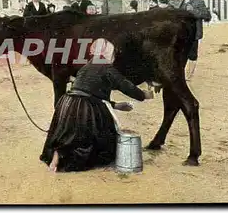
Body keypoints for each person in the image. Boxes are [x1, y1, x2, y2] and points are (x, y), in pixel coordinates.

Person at [40, 38, 154, 172]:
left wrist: (116, 105)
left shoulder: (86, 67)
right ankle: (64, 156)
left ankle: (58, 154)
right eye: (113, 54)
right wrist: (146, 95)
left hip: (67, 104)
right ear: (107, 54)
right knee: (100, 140)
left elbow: (90, 92)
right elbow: (127, 87)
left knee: (69, 135)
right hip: (84, 107)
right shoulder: (107, 68)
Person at [178, 0, 211, 80]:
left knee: (192, 54)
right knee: (182, 53)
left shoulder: (199, 2)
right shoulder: (182, 2)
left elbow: (206, 16)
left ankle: (189, 75)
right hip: (182, 33)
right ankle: (182, 73)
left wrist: (193, 11)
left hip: (194, 33)